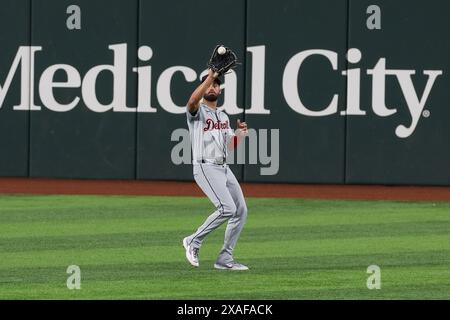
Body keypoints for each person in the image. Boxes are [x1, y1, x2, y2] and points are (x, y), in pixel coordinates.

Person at [182, 69, 249, 271]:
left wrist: (239, 134)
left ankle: (224, 259)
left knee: (241, 211)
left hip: (223, 168)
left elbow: (230, 146)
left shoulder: (223, 116)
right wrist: (210, 76)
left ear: (220, 90)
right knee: (227, 208)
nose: (212, 86)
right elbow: (192, 101)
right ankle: (193, 241)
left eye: (216, 84)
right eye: (209, 83)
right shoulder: (197, 111)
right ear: (203, 87)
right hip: (205, 166)